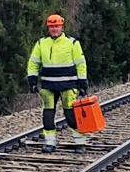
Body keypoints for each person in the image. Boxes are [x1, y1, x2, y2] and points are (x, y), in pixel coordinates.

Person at [27, 12, 90, 150]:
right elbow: (33, 63)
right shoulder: (41, 43)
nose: (54, 29)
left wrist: (82, 83)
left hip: (68, 85)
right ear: (48, 28)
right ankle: (50, 143)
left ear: (62, 27)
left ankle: (80, 143)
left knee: (71, 115)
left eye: (57, 26)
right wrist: (32, 81)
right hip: (48, 85)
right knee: (48, 116)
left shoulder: (72, 43)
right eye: (51, 27)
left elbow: (81, 64)